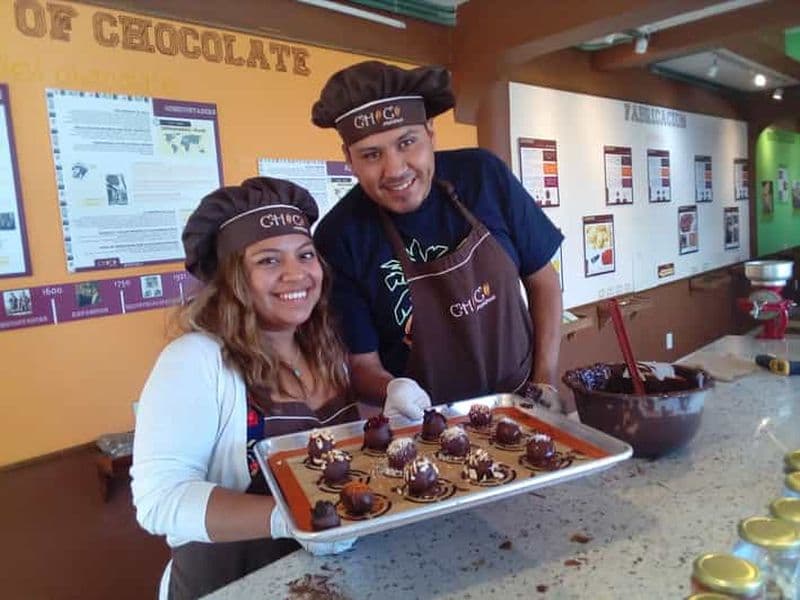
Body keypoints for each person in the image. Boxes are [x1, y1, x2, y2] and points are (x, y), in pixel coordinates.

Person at [131, 177, 358, 600]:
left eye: (305, 254)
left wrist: (391, 403)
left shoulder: (324, 348)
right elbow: (160, 500)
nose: (296, 273)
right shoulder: (196, 360)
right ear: (231, 279)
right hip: (231, 583)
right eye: (268, 260)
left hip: (328, 579)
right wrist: (289, 517)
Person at [311, 61, 567, 420]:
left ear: (430, 133)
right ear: (348, 159)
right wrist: (392, 388)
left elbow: (543, 281)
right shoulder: (340, 236)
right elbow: (363, 363)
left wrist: (544, 382)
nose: (395, 169)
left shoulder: (482, 176)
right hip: (426, 427)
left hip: (520, 405)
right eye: (371, 154)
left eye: (407, 142)